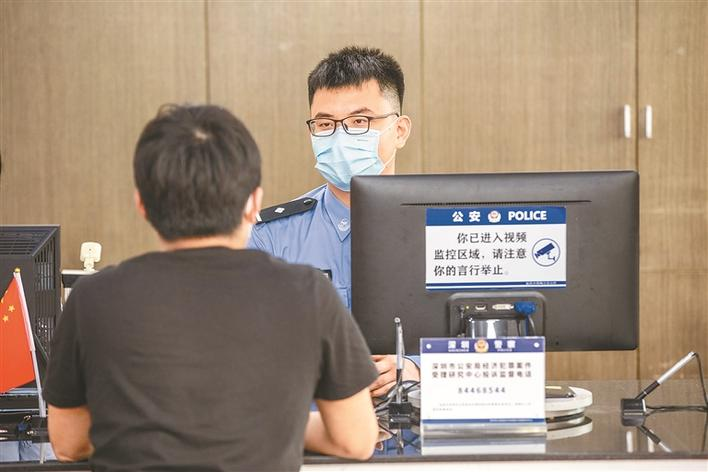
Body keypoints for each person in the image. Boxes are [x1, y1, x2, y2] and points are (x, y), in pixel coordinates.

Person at [43, 104, 379, 471]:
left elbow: (68, 443)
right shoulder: (308, 293)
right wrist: (270, 428)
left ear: (142, 204)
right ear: (254, 202)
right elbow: (355, 440)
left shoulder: (93, 298)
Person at [248, 46, 417, 396]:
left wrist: (419, 368)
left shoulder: (443, 229)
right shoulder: (269, 237)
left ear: (399, 130)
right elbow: (244, 346)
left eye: (359, 122)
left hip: (423, 419)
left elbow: (492, 341)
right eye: (325, 124)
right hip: (311, 420)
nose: (340, 137)